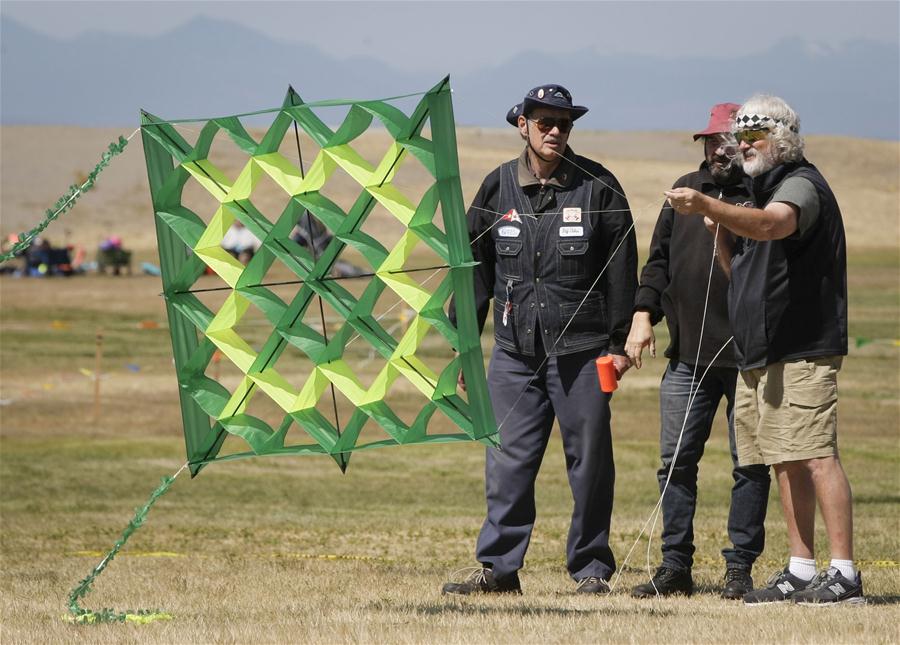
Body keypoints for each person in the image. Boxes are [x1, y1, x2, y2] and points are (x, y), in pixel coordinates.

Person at [665, 95, 862, 605]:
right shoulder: (754, 192)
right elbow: (743, 276)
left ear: (784, 140)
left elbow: (776, 226)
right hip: (760, 351)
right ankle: (800, 567)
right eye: (741, 137)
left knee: (817, 455)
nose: (745, 146)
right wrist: (723, 234)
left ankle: (845, 574)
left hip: (802, 345)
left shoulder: (799, 184)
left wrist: (710, 206)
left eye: (756, 137)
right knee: (781, 459)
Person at [442, 84, 637, 595]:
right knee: (506, 461)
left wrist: (618, 345)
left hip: (583, 353)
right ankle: (499, 570)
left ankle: (591, 569)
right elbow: (474, 274)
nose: (555, 131)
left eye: (564, 123)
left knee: (591, 464)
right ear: (522, 124)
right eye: (545, 122)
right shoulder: (496, 187)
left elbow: (621, 272)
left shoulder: (599, 187)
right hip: (513, 355)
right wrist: (465, 346)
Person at [625, 104, 771, 600]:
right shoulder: (685, 189)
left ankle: (739, 568)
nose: (718, 149)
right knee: (675, 462)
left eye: (727, 140)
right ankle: (675, 565)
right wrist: (644, 314)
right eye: (710, 141)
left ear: (745, 144)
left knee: (749, 463)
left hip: (749, 359)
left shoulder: (761, 195)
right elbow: (659, 261)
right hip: (687, 357)